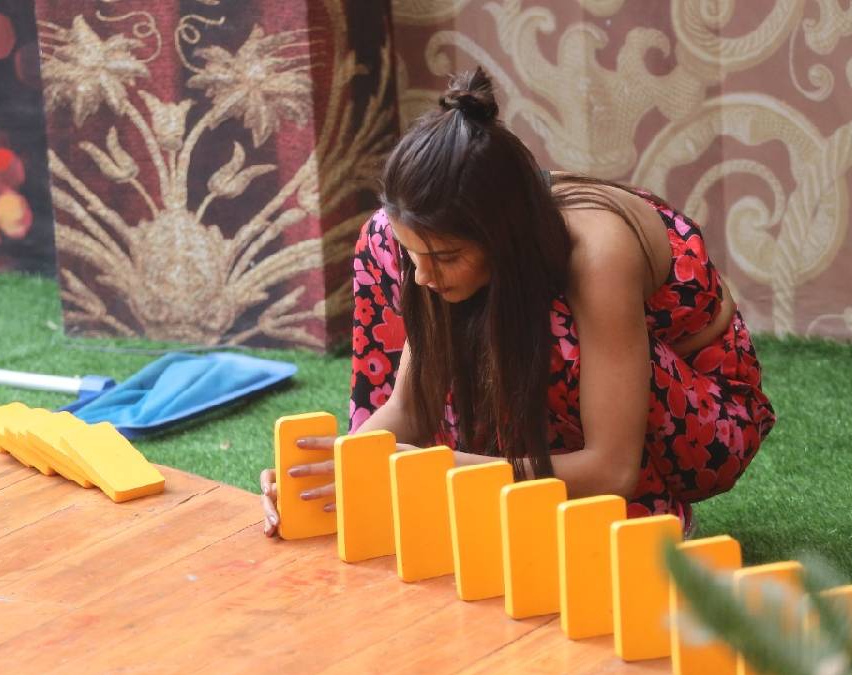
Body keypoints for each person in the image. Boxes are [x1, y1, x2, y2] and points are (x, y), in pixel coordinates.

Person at [259, 67, 775, 537]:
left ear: (501, 235)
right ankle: (496, 486)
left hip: (703, 424)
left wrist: (435, 470)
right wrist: (341, 470)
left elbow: (613, 467)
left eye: (447, 256)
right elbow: (411, 404)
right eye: (417, 256)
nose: (423, 276)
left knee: (549, 328)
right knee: (380, 237)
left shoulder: (597, 251)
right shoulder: (434, 257)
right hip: (533, 381)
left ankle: (646, 514)